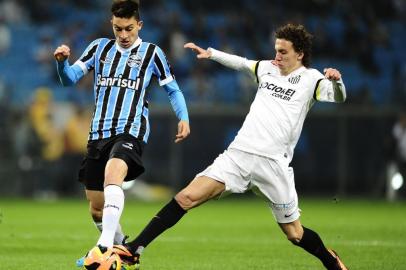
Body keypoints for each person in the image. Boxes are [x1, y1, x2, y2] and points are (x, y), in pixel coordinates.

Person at [114, 23, 348, 270]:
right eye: (276, 50)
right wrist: (212, 54)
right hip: (238, 156)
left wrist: (338, 81)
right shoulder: (267, 69)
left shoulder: (312, 79)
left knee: (295, 235)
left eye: (283, 52)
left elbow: (339, 97)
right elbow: (242, 63)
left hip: (273, 164)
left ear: (299, 54)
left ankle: (330, 260)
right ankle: (134, 249)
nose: (277, 56)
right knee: (186, 197)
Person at [53, 0, 190, 266]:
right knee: (95, 206)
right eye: (118, 29)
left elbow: (173, 89)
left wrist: (183, 117)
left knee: (112, 176)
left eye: (129, 28)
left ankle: (103, 247)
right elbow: (68, 78)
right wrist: (61, 63)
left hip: (130, 130)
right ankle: (120, 249)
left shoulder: (152, 53)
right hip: (98, 132)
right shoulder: (98, 48)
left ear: (139, 25)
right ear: (111, 25)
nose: (124, 35)